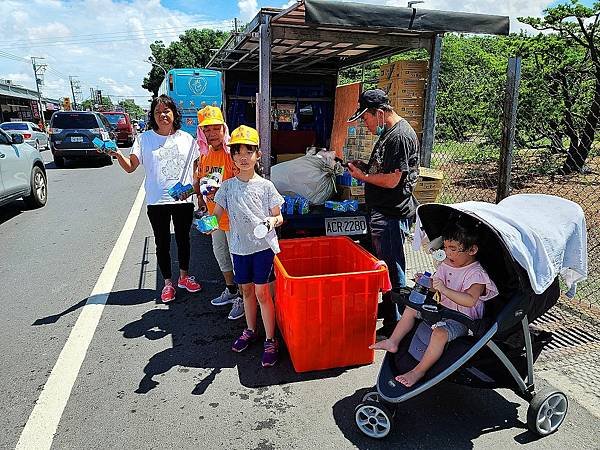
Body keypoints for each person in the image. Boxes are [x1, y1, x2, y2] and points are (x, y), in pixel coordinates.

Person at [370, 217, 499, 387]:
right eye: (445, 247)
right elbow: (434, 288)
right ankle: (393, 341)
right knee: (411, 307)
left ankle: (418, 371)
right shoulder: (447, 264)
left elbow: (470, 300)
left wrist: (444, 289)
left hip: (463, 320)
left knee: (440, 334)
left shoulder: (476, 274)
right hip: (442, 310)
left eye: (453, 249)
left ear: (472, 249)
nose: (448, 253)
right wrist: (425, 282)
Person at [106, 94, 202, 302]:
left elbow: (197, 171)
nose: (162, 115)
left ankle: (184, 277)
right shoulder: (144, 139)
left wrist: (194, 191)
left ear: (174, 113)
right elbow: (131, 167)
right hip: (157, 201)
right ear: (153, 116)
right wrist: (116, 155)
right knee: (162, 242)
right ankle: (168, 283)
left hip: (183, 200)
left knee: (184, 240)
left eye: (166, 111)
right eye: (158, 112)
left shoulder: (187, 139)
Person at [347, 88, 420, 337]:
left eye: (366, 119)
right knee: (384, 266)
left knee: (392, 268)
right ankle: (391, 312)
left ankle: (397, 326)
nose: (366, 125)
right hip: (382, 211)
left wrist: (364, 176)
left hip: (392, 213)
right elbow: (384, 169)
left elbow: (392, 180)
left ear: (379, 113)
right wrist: (366, 168)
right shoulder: (388, 133)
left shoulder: (399, 136)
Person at [211, 125, 285, 368]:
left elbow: (279, 216)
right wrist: (207, 222)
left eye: (249, 151)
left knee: (263, 293)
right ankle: (251, 330)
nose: (243, 156)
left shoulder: (265, 186)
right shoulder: (227, 186)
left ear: (258, 155)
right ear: (231, 156)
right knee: (247, 292)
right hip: (239, 248)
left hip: (262, 248)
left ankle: (270, 339)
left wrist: (272, 220)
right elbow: (217, 213)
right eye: (238, 151)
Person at [193, 106, 244, 320]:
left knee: (238, 259)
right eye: (207, 130)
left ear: (224, 129)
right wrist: (200, 201)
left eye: (216, 128)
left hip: (234, 220)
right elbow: (200, 183)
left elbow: (243, 184)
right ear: (201, 133)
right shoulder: (204, 156)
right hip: (214, 219)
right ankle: (231, 290)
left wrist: (220, 190)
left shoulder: (231, 153)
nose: (212, 134)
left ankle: (243, 297)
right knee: (221, 256)